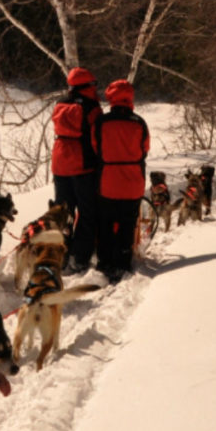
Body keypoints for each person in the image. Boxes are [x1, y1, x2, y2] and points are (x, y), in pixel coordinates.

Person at [94, 79, 150, 283]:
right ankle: (123, 263)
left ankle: (105, 264)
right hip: (132, 182)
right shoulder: (139, 122)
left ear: (110, 97)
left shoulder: (101, 122)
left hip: (108, 181)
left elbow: (95, 147)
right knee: (127, 225)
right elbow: (145, 149)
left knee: (106, 224)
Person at [51, 66, 103, 274]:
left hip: (59, 161)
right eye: (93, 84)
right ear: (87, 86)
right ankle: (80, 257)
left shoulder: (60, 103)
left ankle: (60, 256)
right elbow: (96, 139)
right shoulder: (92, 107)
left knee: (63, 213)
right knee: (87, 212)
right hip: (82, 164)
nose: (95, 87)